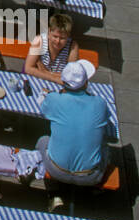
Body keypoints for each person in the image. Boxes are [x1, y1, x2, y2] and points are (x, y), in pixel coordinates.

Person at [36, 60, 117, 207]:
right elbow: (105, 118)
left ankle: (54, 193)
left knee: (43, 140)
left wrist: (50, 95)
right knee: (105, 147)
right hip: (91, 176)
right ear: (86, 83)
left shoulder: (54, 100)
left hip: (57, 171)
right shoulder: (99, 103)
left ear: (63, 83)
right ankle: (93, 191)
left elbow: (42, 105)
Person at [23, 11, 80, 81]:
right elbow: (28, 68)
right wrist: (56, 77)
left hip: (49, 78)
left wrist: (45, 72)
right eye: (55, 36)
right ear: (49, 31)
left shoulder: (73, 46)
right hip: (42, 79)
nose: (58, 41)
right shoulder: (38, 40)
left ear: (68, 36)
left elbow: (72, 74)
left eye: (62, 38)